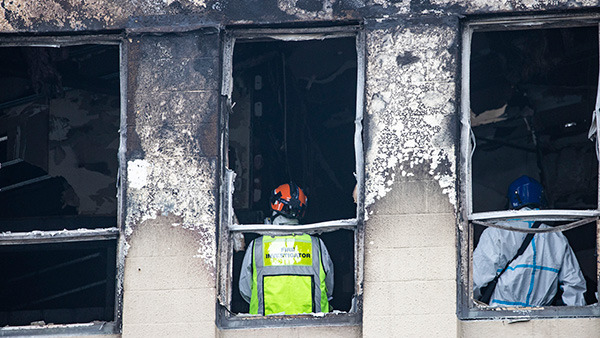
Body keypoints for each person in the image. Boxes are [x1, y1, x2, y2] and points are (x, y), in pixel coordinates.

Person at [473, 175, 586, 307]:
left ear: (512, 200)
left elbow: (477, 278)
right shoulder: (557, 237)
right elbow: (574, 284)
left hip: (501, 316)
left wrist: (473, 308)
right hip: (542, 317)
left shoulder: (497, 231)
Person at [239, 182, 334, 315]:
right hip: (313, 327)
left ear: (274, 206)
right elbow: (329, 289)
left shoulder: (257, 246)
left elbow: (245, 290)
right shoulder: (317, 245)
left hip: (264, 328)